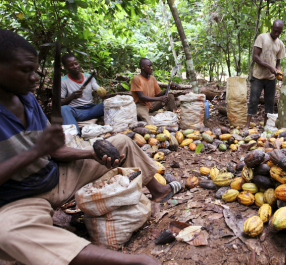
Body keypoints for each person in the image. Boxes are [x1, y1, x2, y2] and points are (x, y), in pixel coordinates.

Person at [0, 29, 182, 265]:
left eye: (35, 70)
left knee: (120, 141)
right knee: (7, 233)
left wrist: (91, 153)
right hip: (21, 198)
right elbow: (40, 150)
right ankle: (130, 262)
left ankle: (159, 191)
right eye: (26, 70)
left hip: (56, 176)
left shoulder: (28, 99)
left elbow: (55, 152)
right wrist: (35, 151)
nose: (35, 77)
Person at [245, 19, 286, 130]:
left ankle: (266, 126)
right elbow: (255, 57)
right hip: (258, 76)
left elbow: (278, 63)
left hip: (271, 78)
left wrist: (279, 73)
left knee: (270, 103)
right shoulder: (262, 38)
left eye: (279, 32)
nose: (276, 33)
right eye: (275, 30)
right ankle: (247, 125)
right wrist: (269, 67)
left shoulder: (280, 44)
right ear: (272, 27)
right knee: (253, 100)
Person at [60, 54, 108, 134]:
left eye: (76, 63)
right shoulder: (63, 82)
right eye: (71, 65)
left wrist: (104, 94)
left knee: (110, 102)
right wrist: (72, 97)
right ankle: (75, 136)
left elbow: (97, 88)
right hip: (77, 112)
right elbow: (59, 103)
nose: (75, 66)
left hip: (92, 109)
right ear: (65, 67)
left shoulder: (88, 77)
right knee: (64, 109)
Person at [131, 58, 177, 124]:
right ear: (142, 67)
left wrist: (168, 88)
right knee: (147, 120)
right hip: (140, 105)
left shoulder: (152, 78)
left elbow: (158, 93)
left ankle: (172, 116)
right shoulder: (136, 79)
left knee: (169, 96)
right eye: (149, 66)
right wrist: (160, 99)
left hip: (151, 104)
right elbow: (141, 97)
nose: (151, 68)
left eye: (151, 66)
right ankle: (150, 122)